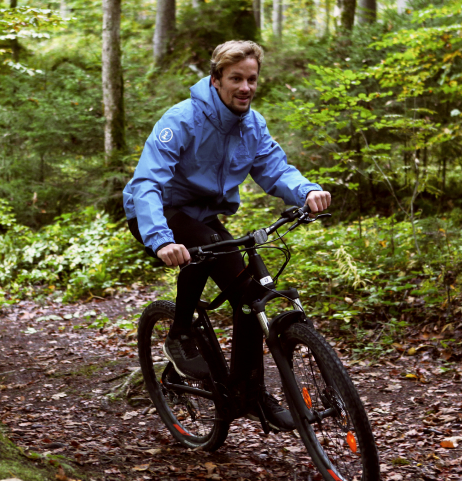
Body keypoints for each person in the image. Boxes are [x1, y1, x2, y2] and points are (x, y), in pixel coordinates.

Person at [122, 40, 331, 431]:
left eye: (252, 79)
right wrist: (161, 238)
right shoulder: (182, 120)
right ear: (216, 79)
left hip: (204, 217)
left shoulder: (252, 125)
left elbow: (275, 169)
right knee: (203, 243)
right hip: (157, 212)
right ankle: (180, 333)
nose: (245, 87)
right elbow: (147, 182)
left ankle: (249, 393)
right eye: (236, 78)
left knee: (251, 297)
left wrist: (306, 190)